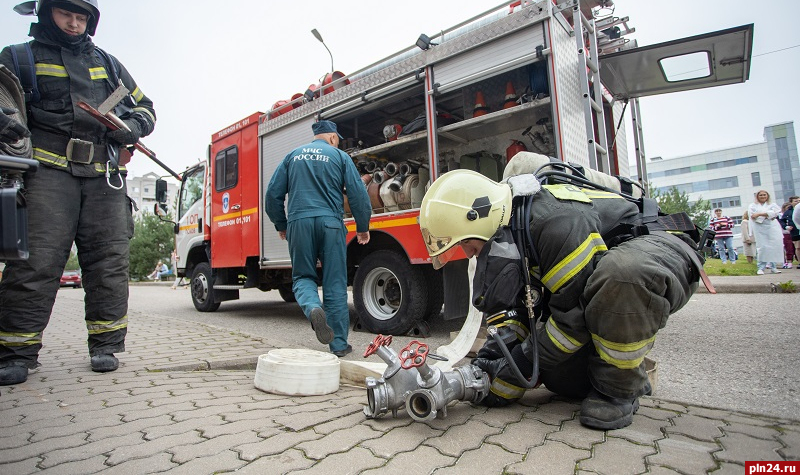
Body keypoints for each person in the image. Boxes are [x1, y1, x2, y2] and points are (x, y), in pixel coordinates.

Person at [418, 168, 705, 430]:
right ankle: (605, 373)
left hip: (656, 249)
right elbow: (514, 313)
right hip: (611, 268)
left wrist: (521, 363)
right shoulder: (511, 235)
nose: (469, 255)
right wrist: (493, 373)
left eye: (466, 244)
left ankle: (619, 390)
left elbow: (573, 318)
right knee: (556, 374)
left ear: (478, 217)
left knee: (620, 277)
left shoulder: (553, 222)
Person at [0, 0, 156, 386]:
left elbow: (147, 108)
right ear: (46, 12)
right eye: (65, 13)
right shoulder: (18, 58)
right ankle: (17, 350)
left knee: (109, 263)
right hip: (46, 174)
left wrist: (132, 128)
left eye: (81, 17)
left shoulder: (106, 64)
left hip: (103, 177)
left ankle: (105, 345)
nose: (73, 22)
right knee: (36, 262)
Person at [265, 120, 371, 357]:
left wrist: (282, 225)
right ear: (333, 137)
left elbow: (272, 196)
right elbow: (358, 194)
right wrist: (362, 226)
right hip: (331, 224)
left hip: (299, 222)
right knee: (334, 282)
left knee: (303, 276)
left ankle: (313, 307)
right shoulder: (340, 156)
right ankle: (340, 345)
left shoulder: (292, 156)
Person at [748, 190, 784, 275]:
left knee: (773, 247)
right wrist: (767, 215)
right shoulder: (753, 205)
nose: (763, 196)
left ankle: (773, 267)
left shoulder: (772, 205)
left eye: (764, 195)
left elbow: (775, 214)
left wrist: (760, 214)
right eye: (761, 195)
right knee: (762, 247)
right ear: (757, 196)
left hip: (772, 228)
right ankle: (761, 267)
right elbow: (753, 216)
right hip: (760, 228)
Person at [779, 196, 800, 268]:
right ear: (791, 203)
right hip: (795, 231)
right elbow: (782, 221)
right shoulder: (788, 212)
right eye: (795, 201)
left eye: (799, 200)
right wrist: (786, 227)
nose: (798, 202)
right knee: (798, 247)